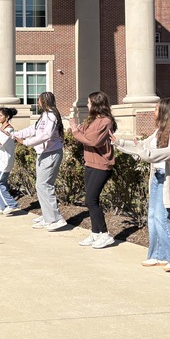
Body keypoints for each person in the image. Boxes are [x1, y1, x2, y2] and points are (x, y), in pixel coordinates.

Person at [114, 98, 170, 271]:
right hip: (156, 177)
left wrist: (148, 154)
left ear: (165, 111)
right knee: (153, 217)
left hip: (167, 180)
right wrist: (118, 142)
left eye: (156, 109)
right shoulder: (158, 132)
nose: (154, 112)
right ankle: (157, 255)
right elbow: (141, 147)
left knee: (162, 218)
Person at [69, 92, 117, 248]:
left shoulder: (106, 121)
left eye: (89, 102)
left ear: (96, 104)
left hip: (102, 165)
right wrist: (76, 129)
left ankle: (105, 234)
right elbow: (82, 135)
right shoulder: (91, 120)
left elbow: (93, 141)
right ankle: (95, 233)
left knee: (91, 200)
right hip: (89, 163)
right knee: (90, 201)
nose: (87, 105)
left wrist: (76, 131)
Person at [13, 92, 67, 231]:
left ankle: (55, 219)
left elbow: (46, 134)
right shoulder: (45, 115)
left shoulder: (51, 116)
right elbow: (34, 129)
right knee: (41, 185)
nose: (38, 102)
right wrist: (17, 134)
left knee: (44, 185)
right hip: (44, 153)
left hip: (51, 153)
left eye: (39, 100)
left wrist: (26, 142)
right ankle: (48, 216)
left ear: (44, 101)